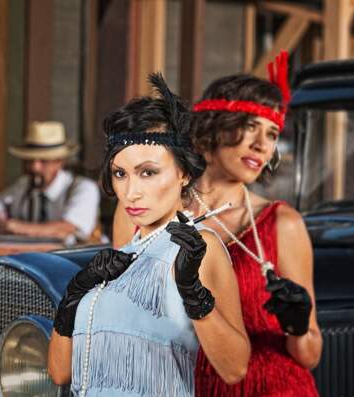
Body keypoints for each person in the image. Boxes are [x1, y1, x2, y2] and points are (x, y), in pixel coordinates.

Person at [113, 53, 322, 396]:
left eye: (272, 134)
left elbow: (310, 355)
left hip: (272, 388)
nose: (262, 144)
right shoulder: (139, 212)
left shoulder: (281, 224)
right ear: (213, 124)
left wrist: (298, 326)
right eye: (251, 126)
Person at [48, 74, 250, 396]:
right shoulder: (119, 257)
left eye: (148, 173)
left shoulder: (200, 247)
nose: (131, 193)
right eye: (120, 174)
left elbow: (235, 369)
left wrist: (194, 295)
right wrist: (72, 299)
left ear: (183, 173)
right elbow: (59, 374)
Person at [0, 121, 100, 242]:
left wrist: (16, 227)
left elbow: (66, 228)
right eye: (30, 160)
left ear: (59, 162)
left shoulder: (83, 188)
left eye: (44, 161)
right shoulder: (24, 185)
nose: (35, 167)